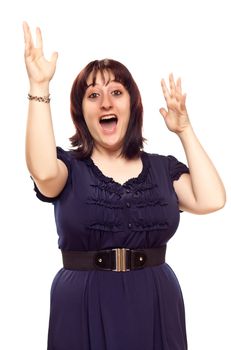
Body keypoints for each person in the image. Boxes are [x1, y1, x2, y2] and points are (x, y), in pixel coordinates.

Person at [23, 21, 226, 350]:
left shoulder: (162, 169)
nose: (105, 102)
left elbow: (212, 199)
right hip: (82, 304)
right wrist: (39, 86)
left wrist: (185, 129)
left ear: (132, 105)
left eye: (116, 92)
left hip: (156, 300)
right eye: (93, 95)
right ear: (81, 112)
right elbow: (43, 173)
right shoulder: (68, 168)